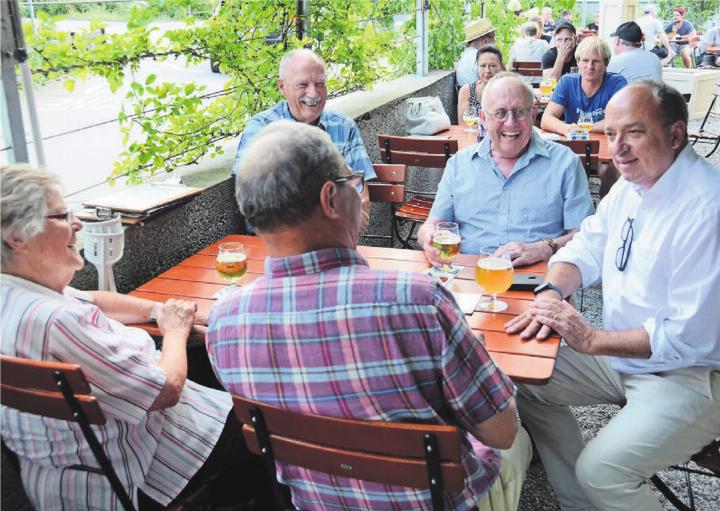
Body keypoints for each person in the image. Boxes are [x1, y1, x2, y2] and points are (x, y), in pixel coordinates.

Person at [206, 120, 532, 511]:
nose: (358, 192)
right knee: (520, 443)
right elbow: (500, 431)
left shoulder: (224, 323)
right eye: (352, 181)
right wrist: (478, 355)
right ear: (330, 199)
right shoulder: (418, 302)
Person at [0, 165, 273, 510]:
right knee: (270, 431)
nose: (77, 224)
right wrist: (175, 331)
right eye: (62, 215)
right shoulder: (58, 321)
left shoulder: (19, 294)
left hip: (57, 471)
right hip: (131, 468)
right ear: (18, 238)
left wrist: (158, 311)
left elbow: (92, 298)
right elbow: (167, 390)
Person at [505, 80, 720, 510]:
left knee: (603, 472)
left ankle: (595, 489)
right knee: (527, 378)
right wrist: (551, 291)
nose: (617, 147)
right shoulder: (633, 183)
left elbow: (688, 337)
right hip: (625, 355)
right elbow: (586, 245)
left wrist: (593, 340)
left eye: (634, 132)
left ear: (676, 135)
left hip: (691, 375)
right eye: (612, 132)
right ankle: (578, 503)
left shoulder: (707, 208)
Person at [418, 73, 593, 268]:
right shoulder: (459, 164)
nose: (511, 123)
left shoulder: (565, 163)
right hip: (470, 277)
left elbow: (585, 236)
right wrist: (428, 238)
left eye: (519, 112)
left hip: (537, 280)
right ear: (483, 118)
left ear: (533, 114)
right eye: (500, 113)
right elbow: (431, 224)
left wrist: (545, 247)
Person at [230, 48, 375, 231]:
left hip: (334, 242)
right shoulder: (261, 129)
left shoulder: (344, 127)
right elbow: (252, 200)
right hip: (275, 244)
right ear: (282, 87)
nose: (313, 93)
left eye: (320, 84)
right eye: (302, 85)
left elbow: (360, 199)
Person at [542, 36, 627, 136]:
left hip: (608, 145)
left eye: (596, 61)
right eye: (585, 61)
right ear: (578, 62)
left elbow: (621, 121)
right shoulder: (567, 82)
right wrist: (566, 128)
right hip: (575, 144)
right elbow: (546, 119)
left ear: (606, 63)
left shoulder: (616, 83)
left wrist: (582, 128)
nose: (590, 66)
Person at [457, 45, 504, 121]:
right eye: (482, 65)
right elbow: (463, 123)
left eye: (492, 66)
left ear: (501, 67)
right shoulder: (467, 91)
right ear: (477, 67)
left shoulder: (507, 91)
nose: (487, 71)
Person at [456, 18, 497, 86]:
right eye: (494, 40)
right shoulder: (481, 57)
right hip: (480, 95)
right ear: (485, 41)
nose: (495, 43)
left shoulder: (465, 55)